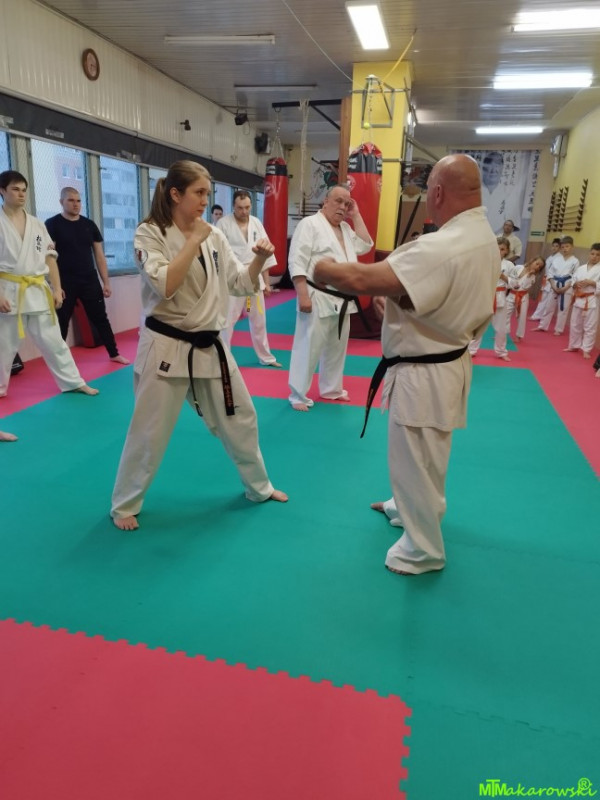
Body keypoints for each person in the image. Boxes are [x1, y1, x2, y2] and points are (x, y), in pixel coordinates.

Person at [313, 154, 499, 575]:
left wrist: (321, 268)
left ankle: (423, 550)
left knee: (416, 458)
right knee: (427, 455)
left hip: (425, 372)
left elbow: (359, 279)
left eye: (427, 190)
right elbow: (439, 295)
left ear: (438, 192)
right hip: (445, 360)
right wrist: (398, 302)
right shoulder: (481, 235)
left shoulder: (444, 244)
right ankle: (406, 507)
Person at [110, 160, 287, 531]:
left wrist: (258, 258)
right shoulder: (149, 233)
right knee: (150, 430)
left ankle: (259, 487)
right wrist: (193, 240)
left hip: (210, 345)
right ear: (176, 194)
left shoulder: (214, 235)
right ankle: (124, 504)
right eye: (199, 193)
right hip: (165, 346)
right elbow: (165, 285)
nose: (206, 200)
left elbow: (240, 283)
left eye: (208, 192)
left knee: (242, 416)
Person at [0, 170, 99, 399]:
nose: (21, 194)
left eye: (24, 190)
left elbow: (50, 258)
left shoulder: (36, 224)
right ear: (2, 191)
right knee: (4, 344)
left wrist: (56, 288)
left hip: (36, 289)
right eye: (15, 189)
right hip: (8, 291)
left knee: (54, 341)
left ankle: (73, 381)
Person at [287, 184, 372, 411]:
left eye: (347, 203)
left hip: (342, 299)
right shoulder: (310, 224)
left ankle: (332, 389)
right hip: (317, 296)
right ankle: (298, 394)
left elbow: (365, 245)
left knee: (337, 347)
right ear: (326, 201)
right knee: (308, 346)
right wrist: (303, 295)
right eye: (338, 201)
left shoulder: (345, 228)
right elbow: (297, 260)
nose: (342, 207)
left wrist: (356, 215)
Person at [45, 188, 129, 365]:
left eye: (78, 201)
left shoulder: (89, 225)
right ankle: (59, 362)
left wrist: (106, 282)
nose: (75, 204)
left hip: (89, 280)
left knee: (101, 318)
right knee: (61, 321)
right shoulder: (52, 224)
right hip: (65, 281)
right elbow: (49, 257)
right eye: (71, 200)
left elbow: (99, 256)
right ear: (61, 202)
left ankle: (114, 353)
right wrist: (55, 286)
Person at [217, 190, 281, 367]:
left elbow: (265, 253)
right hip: (233, 279)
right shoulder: (223, 224)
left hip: (255, 278)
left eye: (247, 207)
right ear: (233, 206)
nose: (244, 211)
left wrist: (266, 283)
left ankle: (266, 357)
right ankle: (223, 359)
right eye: (240, 208)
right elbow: (218, 255)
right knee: (227, 322)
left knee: (259, 321)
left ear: (251, 205)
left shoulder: (257, 223)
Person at [469, 236, 512, 360]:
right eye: (497, 248)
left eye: (502, 249)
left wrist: (503, 276)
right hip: (485, 296)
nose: (499, 251)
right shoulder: (484, 262)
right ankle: (471, 350)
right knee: (478, 326)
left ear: (507, 251)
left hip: (500, 297)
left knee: (501, 328)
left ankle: (501, 352)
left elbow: (515, 284)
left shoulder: (509, 265)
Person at [534, 236, 579, 335]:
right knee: (548, 307)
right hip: (554, 285)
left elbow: (575, 277)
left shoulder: (575, 261)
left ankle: (558, 329)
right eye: (563, 247)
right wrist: (553, 286)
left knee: (563, 309)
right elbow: (550, 274)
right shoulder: (557, 259)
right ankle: (543, 326)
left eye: (567, 246)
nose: (565, 249)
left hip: (566, 287)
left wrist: (565, 287)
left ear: (572, 247)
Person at [564, 243, 600, 359]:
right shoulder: (581, 268)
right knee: (575, 324)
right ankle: (574, 345)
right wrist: (575, 284)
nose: (594, 257)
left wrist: (593, 283)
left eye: (598, 255)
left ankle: (586, 349)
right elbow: (573, 280)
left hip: (592, 300)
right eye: (593, 254)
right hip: (579, 298)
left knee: (590, 326)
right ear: (589, 254)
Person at [505, 256, 545, 341]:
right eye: (537, 264)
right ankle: (503, 333)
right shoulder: (518, 267)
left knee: (521, 317)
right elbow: (510, 279)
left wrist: (528, 275)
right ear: (532, 261)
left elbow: (524, 286)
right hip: (512, 294)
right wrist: (511, 285)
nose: (537, 267)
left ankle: (519, 336)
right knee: (505, 314)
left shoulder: (533, 277)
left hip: (522, 296)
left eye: (539, 267)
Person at [530, 238, 560, 321]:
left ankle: (542, 317)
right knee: (543, 298)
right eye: (553, 246)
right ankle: (538, 315)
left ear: (560, 248)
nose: (554, 248)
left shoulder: (559, 258)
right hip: (546, 279)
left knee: (548, 300)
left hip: (552, 280)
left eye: (557, 246)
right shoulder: (550, 257)